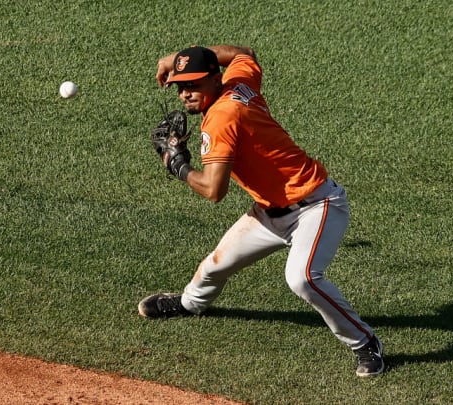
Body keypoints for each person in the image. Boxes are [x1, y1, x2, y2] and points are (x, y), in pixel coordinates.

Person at [138, 45, 384, 377]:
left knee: (303, 279)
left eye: (193, 84)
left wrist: (177, 165)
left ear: (214, 79)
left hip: (317, 205)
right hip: (270, 212)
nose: (185, 94)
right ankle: (189, 303)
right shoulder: (239, 82)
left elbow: (214, 191)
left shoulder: (222, 118)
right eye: (181, 86)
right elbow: (244, 53)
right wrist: (175, 59)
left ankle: (365, 342)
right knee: (214, 266)